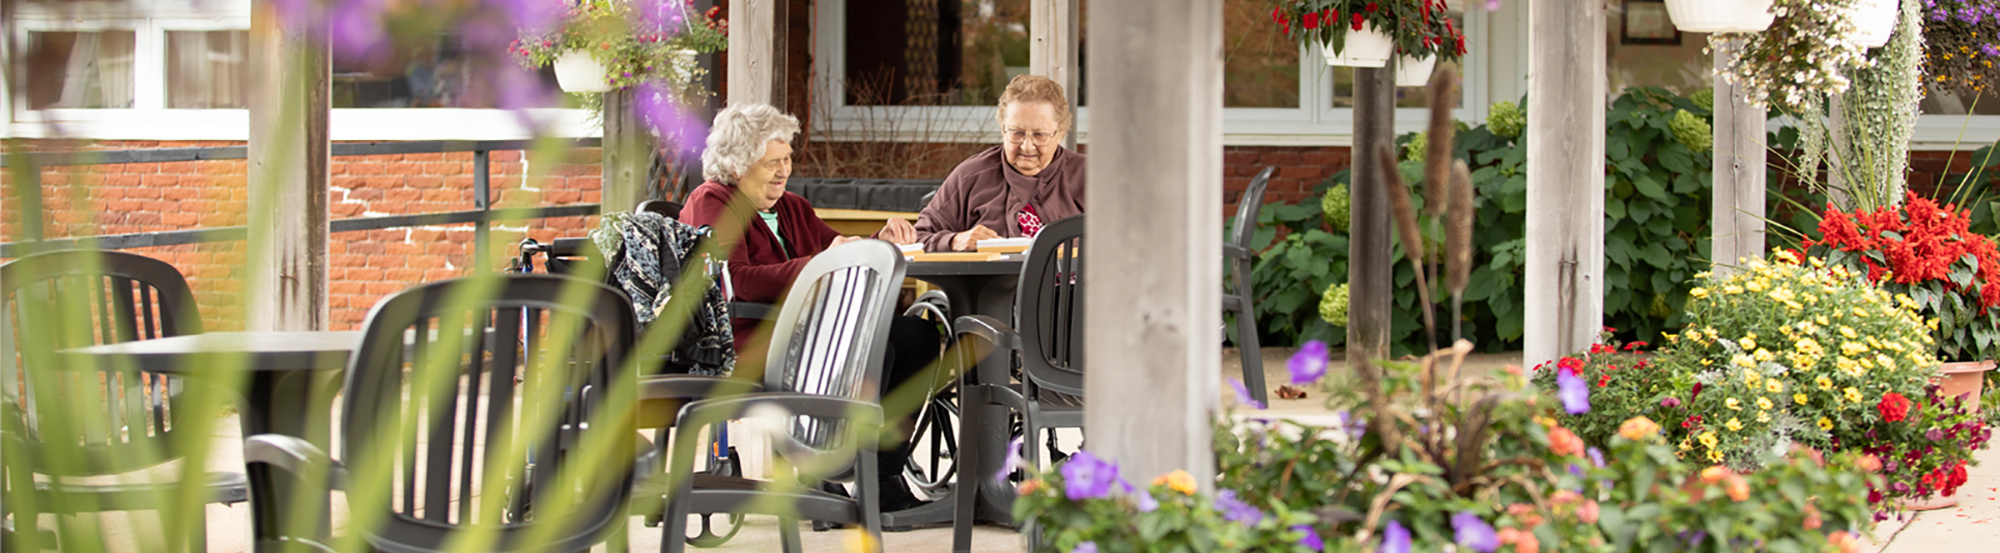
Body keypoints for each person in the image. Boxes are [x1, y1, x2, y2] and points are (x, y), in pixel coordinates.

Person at [679, 102, 940, 512]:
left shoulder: (792, 207)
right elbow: (735, 280)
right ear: (737, 166)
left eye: (787, 160)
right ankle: (819, 465)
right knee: (872, 348)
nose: (784, 171)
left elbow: (836, 250)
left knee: (917, 336)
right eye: (771, 164)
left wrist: (881, 239)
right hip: (749, 340)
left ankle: (883, 475)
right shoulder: (712, 200)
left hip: (811, 333)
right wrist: (822, 265)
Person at [913, 74, 1086, 252]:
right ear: (1003, 130)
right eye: (1016, 133)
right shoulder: (972, 175)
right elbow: (918, 238)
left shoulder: (1088, 175)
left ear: (1060, 134)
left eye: (1039, 135)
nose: (1027, 147)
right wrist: (953, 241)